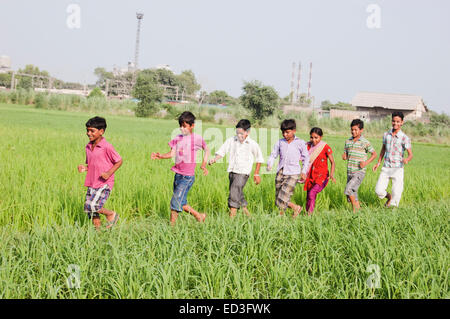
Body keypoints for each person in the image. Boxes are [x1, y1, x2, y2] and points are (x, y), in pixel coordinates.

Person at [151, 111, 209, 226]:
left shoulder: (197, 139)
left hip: (187, 177)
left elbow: (206, 150)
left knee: (175, 202)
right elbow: (172, 154)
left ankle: (171, 228)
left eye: (185, 126)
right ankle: (199, 216)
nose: (182, 129)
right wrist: (160, 156)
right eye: (180, 126)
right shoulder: (178, 138)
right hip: (178, 175)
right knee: (181, 202)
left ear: (192, 125)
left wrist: (204, 164)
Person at [209, 119, 265, 218]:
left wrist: (256, 174)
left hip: (243, 173)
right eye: (237, 133)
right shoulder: (232, 140)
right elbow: (223, 151)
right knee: (238, 194)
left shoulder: (252, 144)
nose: (239, 136)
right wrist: (214, 159)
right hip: (232, 171)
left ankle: (231, 219)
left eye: (241, 133)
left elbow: (259, 158)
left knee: (234, 193)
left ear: (248, 132)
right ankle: (249, 216)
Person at [78, 116, 122, 230]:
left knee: (93, 205)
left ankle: (110, 214)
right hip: (92, 181)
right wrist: (85, 168)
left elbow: (119, 161)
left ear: (101, 131)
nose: (88, 133)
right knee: (89, 210)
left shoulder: (106, 146)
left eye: (92, 131)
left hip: (104, 183)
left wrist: (108, 173)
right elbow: (92, 164)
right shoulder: (88, 146)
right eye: (87, 130)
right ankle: (97, 232)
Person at [267, 119, 309, 218]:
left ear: (294, 131)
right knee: (278, 197)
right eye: (283, 132)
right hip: (281, 171)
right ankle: (295, 208)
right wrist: (270, 164)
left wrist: (304, 171)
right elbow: (273, 155)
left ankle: (281, 217)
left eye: (287, 132)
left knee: (283, 195)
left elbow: (306, 158)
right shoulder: (280, 142)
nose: (285, 134)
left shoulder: (300, 143)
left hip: (293, 173)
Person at [373, 111, 413, 207]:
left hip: (398, 169)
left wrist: (407, 159)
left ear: (402, 122)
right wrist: (378, 163)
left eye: (398, 121)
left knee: (397, 192)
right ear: (391, 121)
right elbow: (383, 149)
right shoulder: (386, 135)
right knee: (378, 190)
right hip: (386, 167)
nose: (395, 123)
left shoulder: (404, 138)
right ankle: (389, 197)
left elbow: (410, 154)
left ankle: (392, 211)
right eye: (394, 121)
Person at [342, 119, 377, 212]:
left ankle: (355, 208)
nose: (353, 132)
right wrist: (344, 156)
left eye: (356, 130)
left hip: (359, 172)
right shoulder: (348, 141)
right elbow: (346, 154)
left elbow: (374, 154)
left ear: (361, 130)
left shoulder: (365, 142)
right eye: (352, 130)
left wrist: (365, 163)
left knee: (348, 189)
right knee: (352, 192)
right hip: (350, 171)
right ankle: (358, 209)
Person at [304, 127, 336, 215]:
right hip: (310, 175)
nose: (313, 140)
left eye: (316, 137)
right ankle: (307, 214)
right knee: (309, 196)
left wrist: (332, 175)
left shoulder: (324, 146)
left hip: (322, 175)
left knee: (312, 193)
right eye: (312, 137)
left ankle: (309, 214)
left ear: (321, 137)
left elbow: (332, 162)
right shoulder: (307, 145)